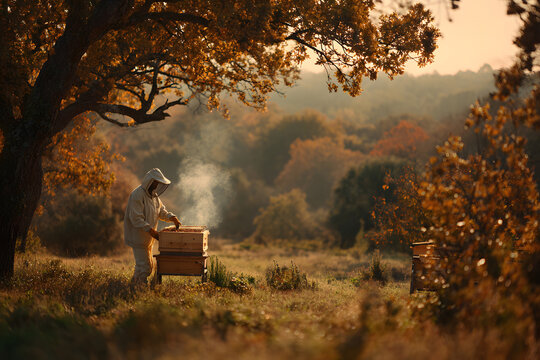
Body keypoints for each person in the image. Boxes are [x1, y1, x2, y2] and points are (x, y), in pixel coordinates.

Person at [124, 168, 181, 284]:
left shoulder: (154, 196)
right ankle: (139, 290)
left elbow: (161, 212)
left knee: (147, 266)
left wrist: (172, 217)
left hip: (148, 239)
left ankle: (134, 285)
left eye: (158, 183)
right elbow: (136, 218)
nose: (156, 185)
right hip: (138, 238)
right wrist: (151, 231)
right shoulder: (137, 195)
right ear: (148, 181)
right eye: (155, 182)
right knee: (144, 267)